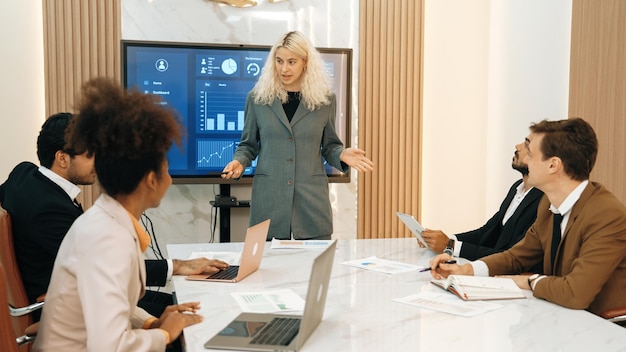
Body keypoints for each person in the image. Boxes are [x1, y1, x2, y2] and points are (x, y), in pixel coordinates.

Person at [32, 78, 205, 351]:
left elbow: (110, 305)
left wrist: (153, 324)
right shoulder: (109, 239)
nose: (170, 180)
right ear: (150, 180)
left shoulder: (108, 221)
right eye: (167, 171)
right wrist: (165, 335)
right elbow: (111, 346)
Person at [0, 113, 228, 319]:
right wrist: (176, 266)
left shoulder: (24, 174)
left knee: (176, 303)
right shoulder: (48, 209)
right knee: (187, 319)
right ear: (62, 158)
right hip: (73, 310)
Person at [429, 118, 626, 316]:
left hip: (601, 328)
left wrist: (528, 280)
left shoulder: (607, 215)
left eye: (530, 154)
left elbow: (576, 293)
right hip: (560, 316)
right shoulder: (548, 205)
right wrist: (467, 271)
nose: (525, 160)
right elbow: (516, 257)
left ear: (553, 165)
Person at [222, 31, 374, 240]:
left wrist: (341, 154)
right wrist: (239, 161)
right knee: (270, 270)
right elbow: (248, 145)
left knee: (314, 270)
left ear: (305, 62)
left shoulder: (324, 100)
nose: (284, 68)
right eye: (279, 61)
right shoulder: (257, 99)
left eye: (291, 62)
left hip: (311, 202)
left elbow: (330, 146)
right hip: (269, 200)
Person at [420, 141, 544, 265]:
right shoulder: (517, 187)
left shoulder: (543, 201)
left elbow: (511, 254)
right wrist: (443, 240)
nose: (517, 146)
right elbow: (486, 232)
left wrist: (450, 246)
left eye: (527, 145)